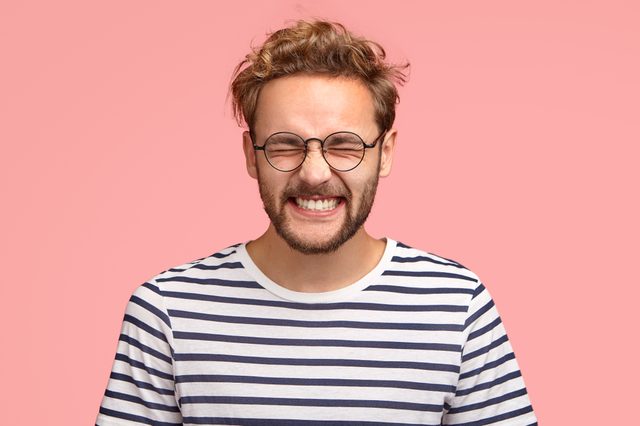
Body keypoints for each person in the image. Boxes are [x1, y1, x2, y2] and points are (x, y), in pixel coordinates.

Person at [97, 20, 536, 425]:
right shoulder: (167, 312)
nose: (314, 173)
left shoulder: (457, 305)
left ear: (384, 154)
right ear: (252, 156)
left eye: (344, 145)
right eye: (286, 144)